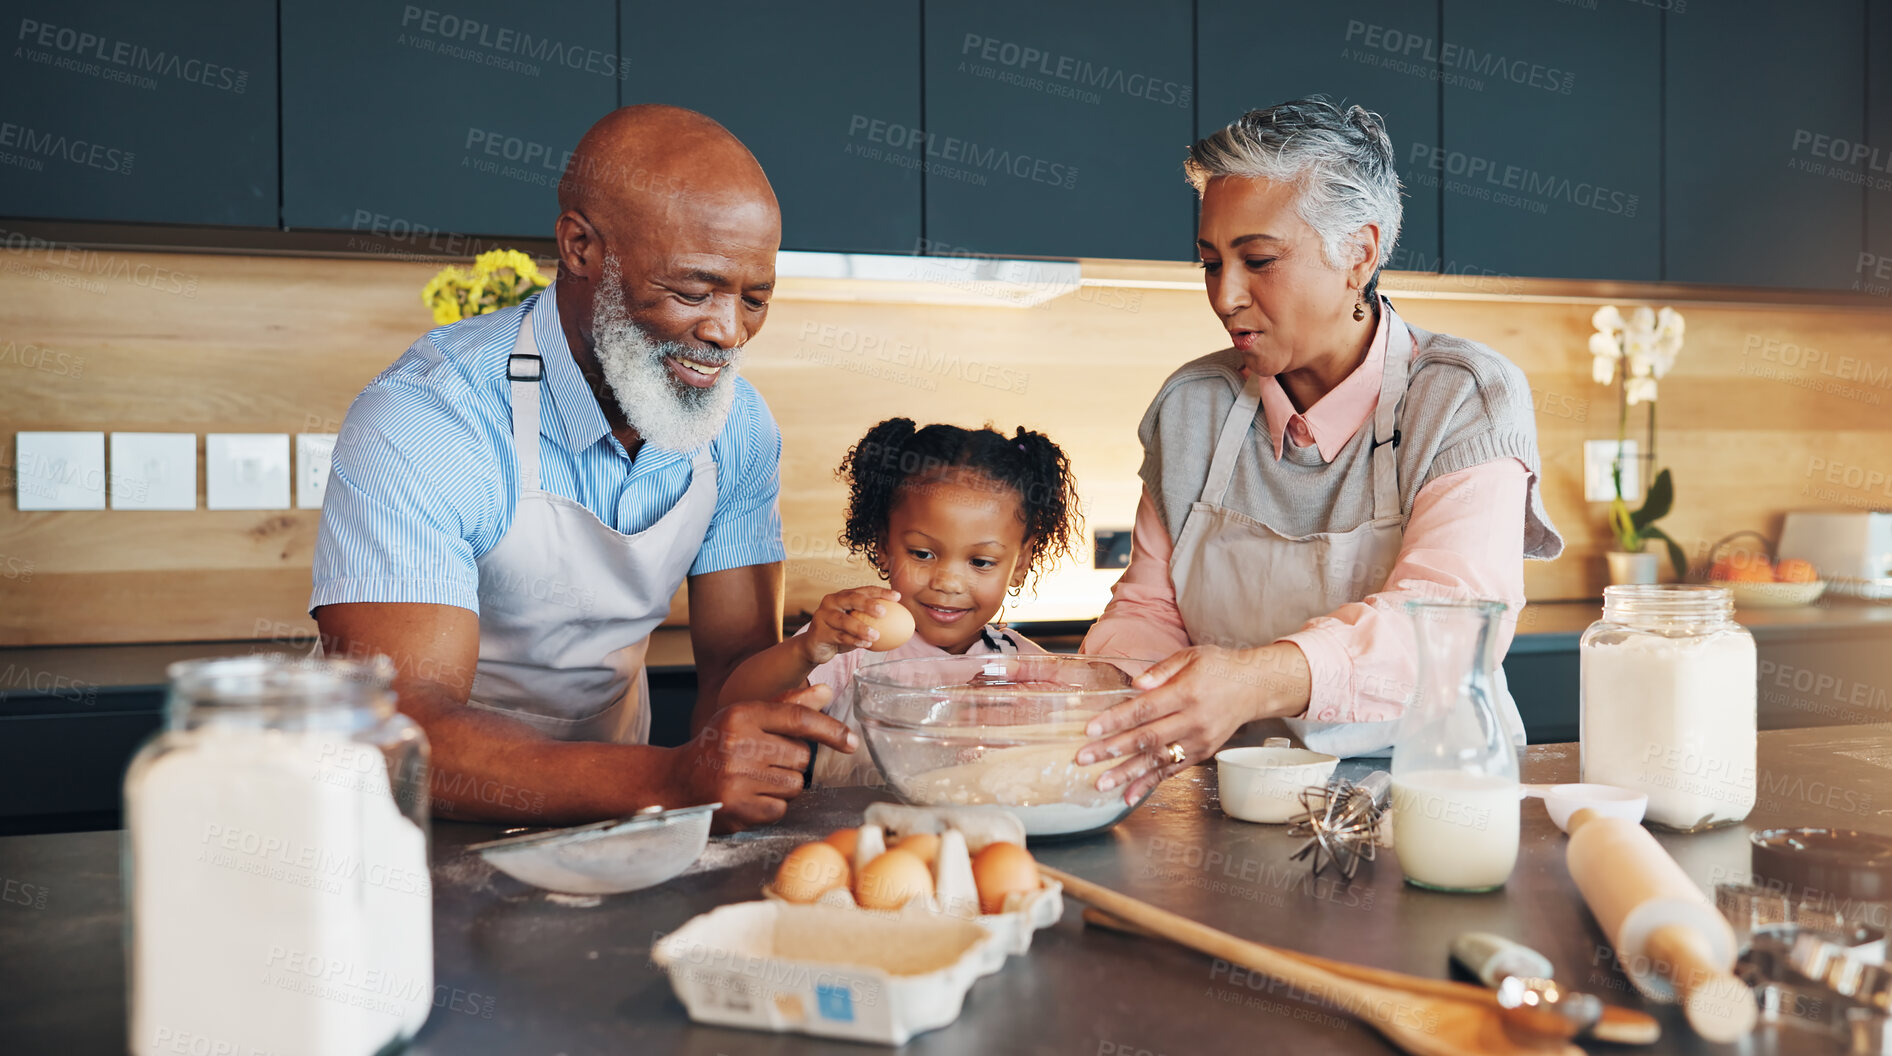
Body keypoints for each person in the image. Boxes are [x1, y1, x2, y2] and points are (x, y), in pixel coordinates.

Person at [310, 105, 858, 831]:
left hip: (615, 818)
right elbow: (400, 728)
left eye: (754, 298)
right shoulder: (428, 419)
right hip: (400, 829)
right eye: (693, 290)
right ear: (580, 247)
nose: (727, 332)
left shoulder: (739, 426)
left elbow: (734, 683)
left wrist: (812, 666)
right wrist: (673, 775)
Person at [1078, 98, 1563, 803]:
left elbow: (1447, 629)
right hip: (1231, 809)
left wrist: (1252, 681)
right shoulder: (1193, 407)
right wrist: (1119, 694)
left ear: (1358, 255)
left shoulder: (1463, 398)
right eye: (1211, 262)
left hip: (1431, 807)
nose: (1226, 296)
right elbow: (1150, 614)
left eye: (1259, 260)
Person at [718, 418, 1082, 787]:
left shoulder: (1030, 670)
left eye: (980, 562)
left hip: (982, 842)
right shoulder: (853, 642)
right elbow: (734, 708)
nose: (948, 583)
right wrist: (806, 650)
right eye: (922, 554)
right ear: (884, 546)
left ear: (1019, 563)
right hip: (864, 841)